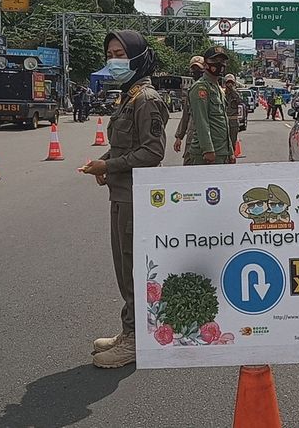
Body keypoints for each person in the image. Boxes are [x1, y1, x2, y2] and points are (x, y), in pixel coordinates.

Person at [80, 30, 169, 368]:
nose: (113, 60)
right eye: (110, 54)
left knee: (133, 269)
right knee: (123, 267)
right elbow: (124, 147)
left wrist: (110, 165)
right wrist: (104, 165)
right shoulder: (128, 97)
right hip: (121, 192)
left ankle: (137, 340)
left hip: (136, 197)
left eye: (120, 54)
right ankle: (129, 330)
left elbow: (152, 151)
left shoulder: (145, 99)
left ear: (137, 57)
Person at [187, 46, 235, 165]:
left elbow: (223, 122)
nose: (220, 64)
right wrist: (208, 149)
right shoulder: (201, 88)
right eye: (215, 61)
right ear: (206, 64)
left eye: (223, 61)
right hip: (207, 153)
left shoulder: (217, 87)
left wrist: (230, 151)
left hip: (222, 151)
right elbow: (201, 121)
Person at [174, 56, 205, 165]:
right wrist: (179, 137)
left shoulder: (213, 89)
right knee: (188, 166)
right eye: (194, 69)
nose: (196, 72)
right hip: (192, 137)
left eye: (199, 69)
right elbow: (186, 116)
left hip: (208, 139)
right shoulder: (191, 91)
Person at [224, 74, 242, 149]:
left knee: (232, 141)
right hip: (224, 120)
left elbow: (240, 100)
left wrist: (232, 90)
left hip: (233, 121)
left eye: (231, 82)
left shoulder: (236, 93)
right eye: (228, 82)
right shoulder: (222, 92)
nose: (229, 84)